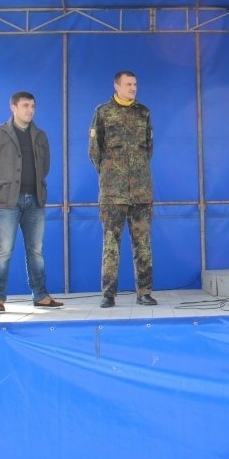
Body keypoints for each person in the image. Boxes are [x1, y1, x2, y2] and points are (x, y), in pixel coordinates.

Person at [0, 91, 63, 314]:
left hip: (35, 199)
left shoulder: (40, 136)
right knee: (4, 251)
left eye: (33, 106)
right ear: (13, 108)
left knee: (36, 251)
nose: (30, 110)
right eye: (25, 105)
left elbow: (45, 167)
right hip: (6, 202)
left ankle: (41, 295)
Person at [89, 71, 157, 308]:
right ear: (116, 86)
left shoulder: (143, 112)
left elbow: (148, 149)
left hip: (141, 191)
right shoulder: (103, 112)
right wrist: (110, 173)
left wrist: (136, 173)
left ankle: (144, 293)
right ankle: (108, 294)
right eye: (128, 84)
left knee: (143, 244)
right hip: (113, 192)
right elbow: (94, 151)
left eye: (135, 84)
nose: (133, 88)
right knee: (111, 245)